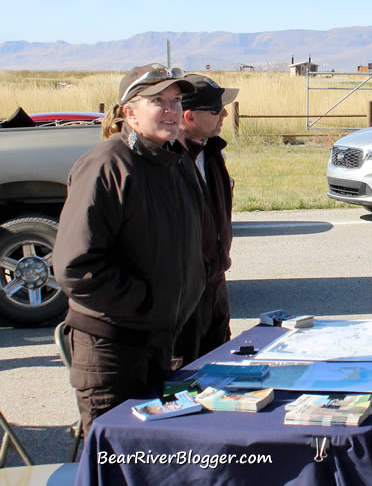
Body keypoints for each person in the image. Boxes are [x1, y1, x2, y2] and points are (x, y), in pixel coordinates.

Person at [53, 63, 207, 435]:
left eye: (175, 100)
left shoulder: (177, 164)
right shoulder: (105, 167)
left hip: (161, 345)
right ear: (129, 112)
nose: (171, 110)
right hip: (111, 351)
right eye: (159, 101)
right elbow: (76, 267)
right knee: (117, 465)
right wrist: (147, 303)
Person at [172, 74, 239, 365]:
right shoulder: (166, 160)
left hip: (214, 285)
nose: (224, 113)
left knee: (220, 368)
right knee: (183, 376)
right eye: (215, 109)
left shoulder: (211, 152)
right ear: (189, 116)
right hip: (182, 296)